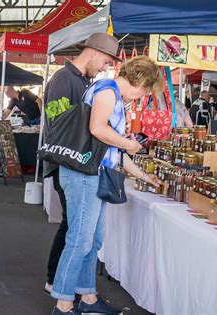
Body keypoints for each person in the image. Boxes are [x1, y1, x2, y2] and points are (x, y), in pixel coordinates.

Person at [51, 56, 162, 315]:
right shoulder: (107, 91)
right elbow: (98, 129)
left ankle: (87, 298)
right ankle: (63, 304)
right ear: (140, 80)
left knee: (93, 239)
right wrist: (130, 144)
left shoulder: (111, 94)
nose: (142, 95)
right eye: (145, 90)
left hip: (93, 174)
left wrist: (144, 176)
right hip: (84, 174)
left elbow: (112, 148)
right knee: (80, 240)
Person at [43, 32, 120, 296]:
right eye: (106, 62)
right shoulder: (64, 79)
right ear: (94, 52)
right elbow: (58, 124)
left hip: (78, 164)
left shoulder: (85, 81)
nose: (105, 68)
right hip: (67, 164)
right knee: (72, 227)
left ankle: (63, 281)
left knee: (72, 226)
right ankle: (54, 280)